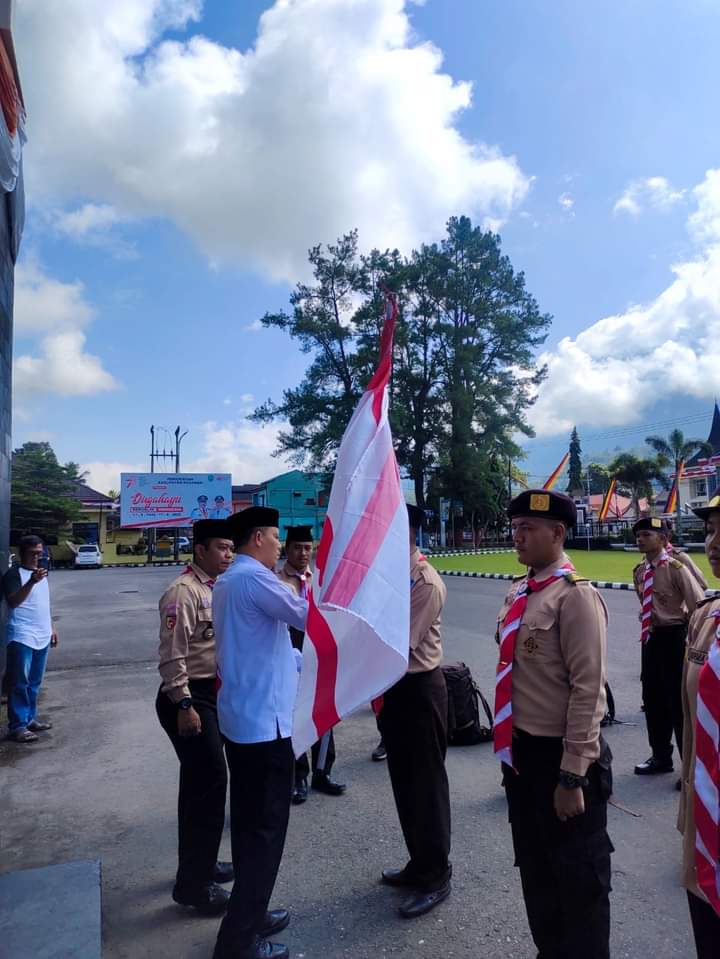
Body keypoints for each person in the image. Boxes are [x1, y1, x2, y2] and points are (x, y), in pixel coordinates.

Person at [495, 490, 613, 959]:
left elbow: (589, 692)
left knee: (578, 881)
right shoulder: (519, 591)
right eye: (515, 527)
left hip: (561, 759)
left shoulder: (576, 599)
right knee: (537, 873)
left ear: (558, 533)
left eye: (527, 529)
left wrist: (571, 776)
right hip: (522, 757)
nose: (517, 537)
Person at [212, 506, 308, 959]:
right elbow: (310, 617)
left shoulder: (231, 579)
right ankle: (238, 941)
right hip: (263, 728)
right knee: (263, 834)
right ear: (257, 539)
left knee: (253, 827)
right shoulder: (255, 578)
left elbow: (271, 648)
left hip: (244, 718)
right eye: (275, 537)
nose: (280, 544)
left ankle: (253, 912)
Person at [155, 519, 235, 916]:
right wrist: (184, 705)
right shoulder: (182, 593)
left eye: (230, 548)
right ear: (199, 550)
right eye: (221, 547)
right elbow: (172, 656)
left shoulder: (214, 587)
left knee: (198, 785)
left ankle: (199, 866)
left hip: (208, 694)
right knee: (211, 782)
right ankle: (193, 886)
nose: (228, 554)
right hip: (186, 698)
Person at [378, 504, 451, 919]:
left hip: (418, 689)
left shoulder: (423, 581)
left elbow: (396, 644)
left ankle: (436, 873)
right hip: (394, 689)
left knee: (426, 786)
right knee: (405, 784)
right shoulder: (392, 576)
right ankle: (418, 862)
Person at [678, 494, 720, 957]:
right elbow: (693, 725)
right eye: (710, 531)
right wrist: (689, 809)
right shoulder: (707, 617)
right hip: (706, 814)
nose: (714, 542)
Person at [276, 525, 346, 804]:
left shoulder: (317, 581)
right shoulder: (278, 583)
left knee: (323, 713)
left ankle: (323, 772)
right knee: (295, 717)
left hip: (318, 653)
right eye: (297, 548)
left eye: (307, 548)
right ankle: (298, 776)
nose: (303, 553)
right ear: (287, 549)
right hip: (290, 654)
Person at [632, 517, 704, 776]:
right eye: (638, 535)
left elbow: (698, 602)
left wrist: (693, 639)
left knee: (678, 702)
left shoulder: (676, 567)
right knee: (652, 698)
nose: (640, 539)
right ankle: (660, 756)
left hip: (675, 637)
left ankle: (690, 766)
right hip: (651, 639)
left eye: (646, 535)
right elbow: (644, 601)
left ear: (663, 539)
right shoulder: (640, 570)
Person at [3, 535, 58, 743]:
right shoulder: (13, 574)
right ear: (22, 553)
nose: (38, 557)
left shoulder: (42, 574)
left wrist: (52, 626)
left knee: (35, 682)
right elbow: (14, 601)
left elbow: (44, 603)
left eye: (40, 553)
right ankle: (17, 726)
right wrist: (32, 582)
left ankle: (29, 719)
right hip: (22, 635)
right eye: (33, 553)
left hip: (42, 633)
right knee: (19, 682)